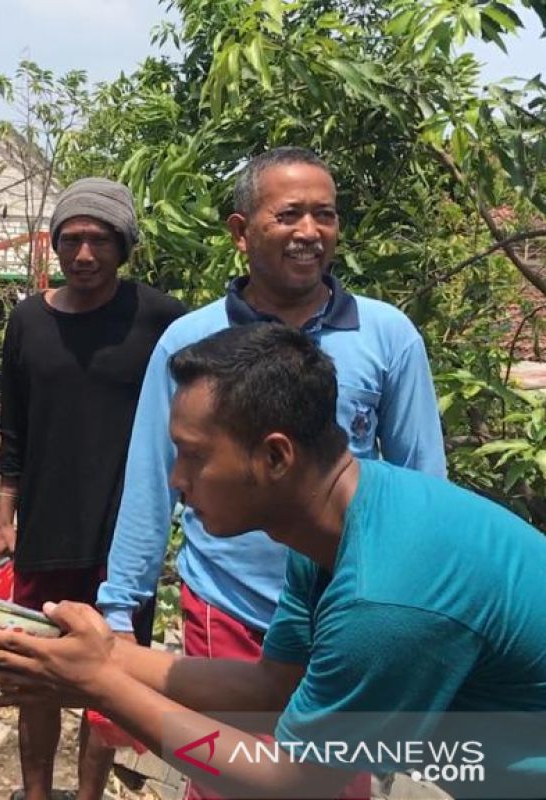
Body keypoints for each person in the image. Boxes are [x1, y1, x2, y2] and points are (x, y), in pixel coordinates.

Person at [0, 323, 546, 799]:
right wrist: (107, 656)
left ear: (274, 456)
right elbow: (272, 687)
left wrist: (102, 687)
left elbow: (290, 780)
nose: (176, 479)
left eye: (192, 456)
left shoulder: (382, 598)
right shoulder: (336, 520)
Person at [97, 146, 446, 785]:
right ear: (241, 231)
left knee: (329, 782)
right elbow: (151, 481)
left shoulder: (388, 336)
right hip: (225, 606)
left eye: (326, 215)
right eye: (289, 215)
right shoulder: (189, 343)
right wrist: (119, 612)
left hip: (344, 615)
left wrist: (415, 616)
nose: (310, 232)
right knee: (227, 775)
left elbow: (422, 482)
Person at [0, 177, 186, 800]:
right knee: (34, 674)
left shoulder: (160, 318)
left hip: (126, 539)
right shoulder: (28, 320)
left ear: (124, 246)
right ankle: (37, 792)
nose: (85, 254)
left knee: (113, 680)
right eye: (72, 239)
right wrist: (5, 519)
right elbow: (13, 431)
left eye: (100, 239)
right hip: (45, 531)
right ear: (55, 246)